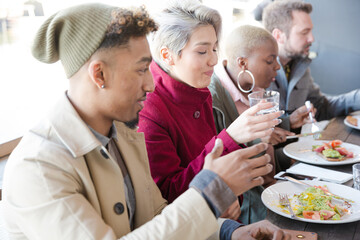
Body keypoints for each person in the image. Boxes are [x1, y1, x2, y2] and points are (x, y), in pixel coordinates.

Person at [2, 3, 291, 240]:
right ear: (99, 75)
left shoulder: (124, 139)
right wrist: (210, 193)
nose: (152, 83)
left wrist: (230, 232)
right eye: (142, 70)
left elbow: (157, 217)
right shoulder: (39, 167)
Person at [138, 0, 283, 225]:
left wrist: (230, 196)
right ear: (167, 56)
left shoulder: (198, 88)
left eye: (215, 48)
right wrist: (231, 137)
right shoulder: (150, 109)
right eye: (202, 51)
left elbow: (217, 168)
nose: (214, 60)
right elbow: (168, 193)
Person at [209, 25, 311, 172]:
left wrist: (289, 122)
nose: (277, 67)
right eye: (270, 61)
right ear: (243, 63)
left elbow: (266, 149)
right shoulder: (213, 99)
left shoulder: (257, 88)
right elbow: (216, 159)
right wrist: (257, 140)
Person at [262, 0, 360, 120]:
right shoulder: (256, 72)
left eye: (310, 31)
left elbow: (322, 107)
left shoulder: (300, 65)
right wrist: (288, 122)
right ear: (278, 36)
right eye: (304, 32)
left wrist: (357, 98)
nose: (312, 38)